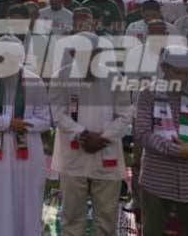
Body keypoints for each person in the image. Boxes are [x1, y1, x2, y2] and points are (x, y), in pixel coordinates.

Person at [134, 45, 188, 236]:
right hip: (157, 179)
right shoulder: (148, 95)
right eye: (177, 72)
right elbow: (142, 133)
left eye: (186, 73)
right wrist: (177, 150)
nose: (182, 78)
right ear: (164, 67)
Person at [49, 32, 132, 236]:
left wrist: (103, 138)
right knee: (71, 217)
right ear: (73, 52)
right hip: (73, 154)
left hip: (106, 153)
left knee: (106, 218)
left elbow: (125, 114)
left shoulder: (115, 77)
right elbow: (57, 114)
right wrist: (82, 134)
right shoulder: (61, 75)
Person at [0, 37, 51, 236]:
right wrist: (8, 123)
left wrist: (23, 125)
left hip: (27, 151)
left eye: (13, 58)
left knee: (27, 197)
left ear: (20, 57)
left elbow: (45, 120)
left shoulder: (34, 81)